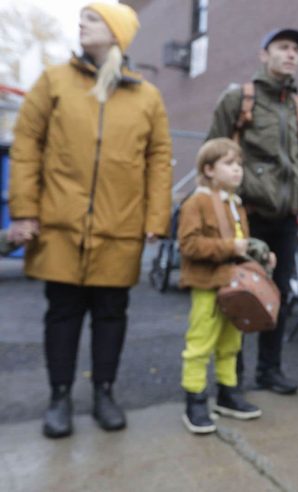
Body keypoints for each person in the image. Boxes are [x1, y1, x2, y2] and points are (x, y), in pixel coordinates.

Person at [8, 3, 172, 438]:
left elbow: (159, 160)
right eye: (82, 17)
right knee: (62, 313)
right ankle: (59, 396)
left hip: (120, 229)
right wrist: (24, 211)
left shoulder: (147, 96)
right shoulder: (54, 81)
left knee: (111, 314)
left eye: (93, 18)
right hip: (60, 225)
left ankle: (104, 393)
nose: (81, 23)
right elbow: (26, 145)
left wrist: (156, 217)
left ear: (117, 33)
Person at [207, 28, 298, 395]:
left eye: (295, 50)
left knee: (279, 296)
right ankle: (232, 376)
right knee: (239, 293)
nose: (291, 54)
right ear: (263, 54)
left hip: (286, 218)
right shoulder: (240, 99)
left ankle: (269, 370)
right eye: (283, 47)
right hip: (246, 214)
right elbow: (215, 150)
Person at [177, 138, 275, 434]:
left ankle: (227, 394)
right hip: (207, 285)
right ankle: (195, 400)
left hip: (234, 286)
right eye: (229, 164)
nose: (238, 170)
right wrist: (231, 246)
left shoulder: (235, 204)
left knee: (231, 343)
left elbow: (241, 246)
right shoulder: (197, 202)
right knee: (200, 343)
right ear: (208, 169)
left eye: (239, 165)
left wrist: (259, 253)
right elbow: (189, 244)